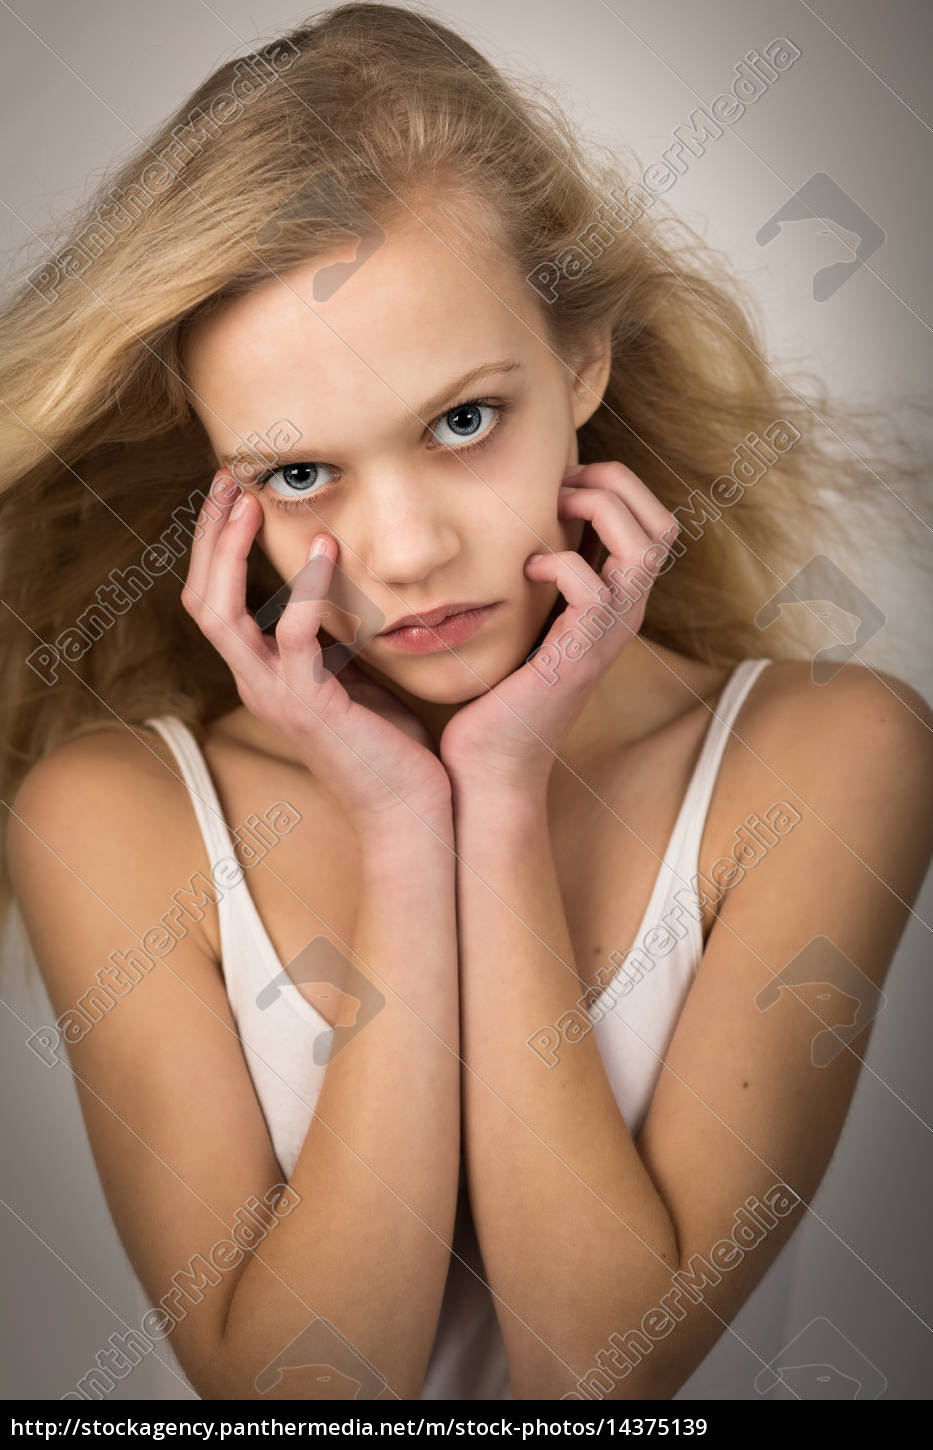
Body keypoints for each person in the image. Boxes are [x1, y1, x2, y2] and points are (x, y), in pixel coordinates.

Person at [2, 3, 931, 1402]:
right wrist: (398, 819)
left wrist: (495, 796)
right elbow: (301, 1396)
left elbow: (592, 1370)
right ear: (217, 489)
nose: (405, 553)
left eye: (460, 421)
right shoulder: (111, 817)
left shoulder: (831, 753)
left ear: (582, 365)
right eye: (300, 474)